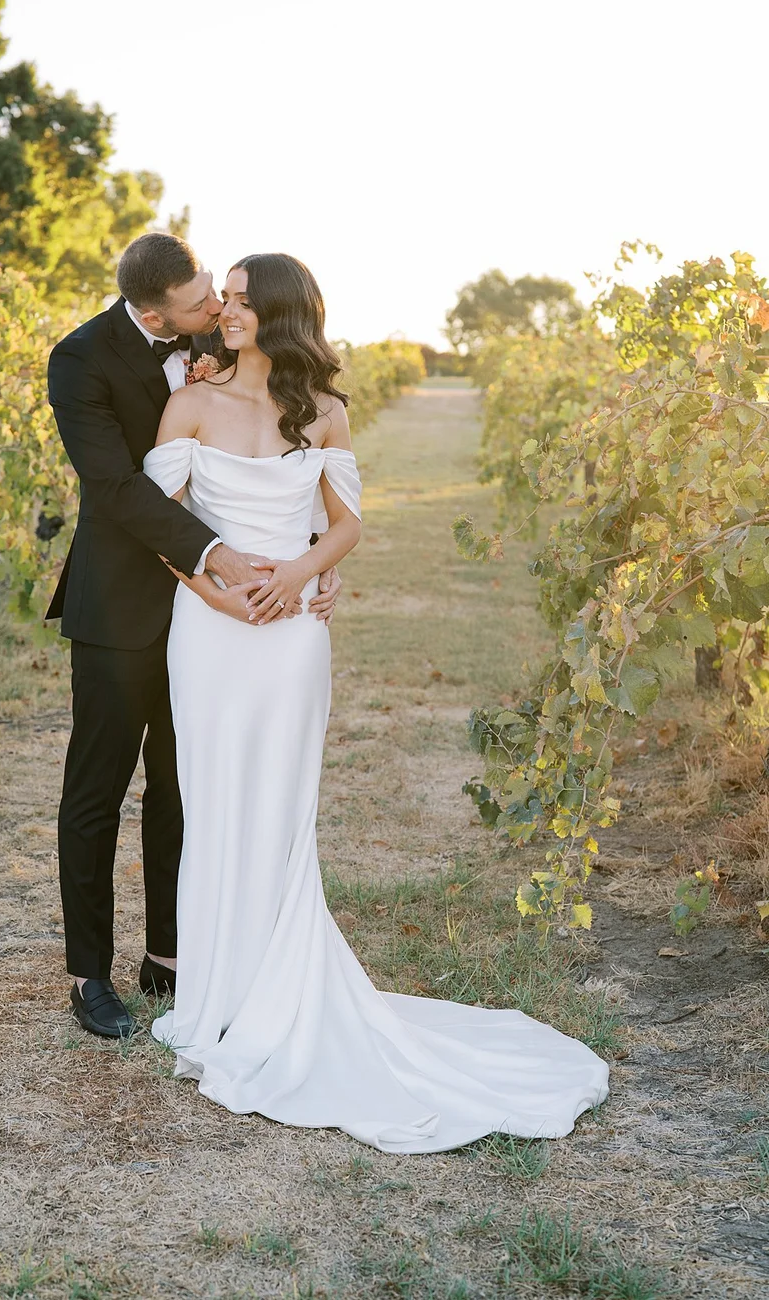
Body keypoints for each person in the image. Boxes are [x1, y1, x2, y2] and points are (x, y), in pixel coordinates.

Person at [142, 252, 610, 1153]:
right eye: (223, 299)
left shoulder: (323, 410)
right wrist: (218, 597)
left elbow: (347, 522)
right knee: (212, 799)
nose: (225, 312)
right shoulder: (190, 403)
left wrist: (304, 575)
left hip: (291, 638)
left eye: (240, 301)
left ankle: (279, 987)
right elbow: (164, 527)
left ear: (280, 314)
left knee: (280, 811)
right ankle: (216, 995)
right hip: (208, 630)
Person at [46, 233, 342, 1039]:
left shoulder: (220, 331)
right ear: (153, 314)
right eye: (200, 302)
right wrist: (212, 557)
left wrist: (314, 557)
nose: (215, 308)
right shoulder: (80, 361)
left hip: (216, 624)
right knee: (97, 793)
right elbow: (115, 487)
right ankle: (88, 975)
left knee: (184, 789)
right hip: (125, 608)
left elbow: (278, 448)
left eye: (216, 291)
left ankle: (169, 957)